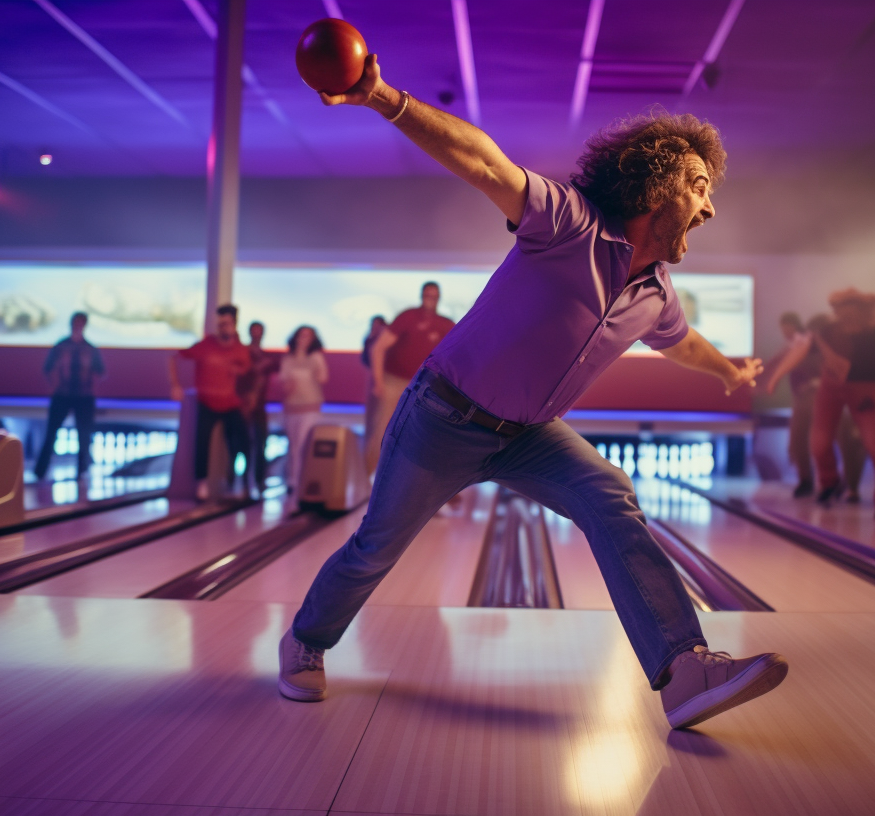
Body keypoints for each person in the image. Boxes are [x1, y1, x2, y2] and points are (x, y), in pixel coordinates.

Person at [279, 54, 784, 733]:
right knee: (376, 546)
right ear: (660, 187)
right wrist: (382, 96)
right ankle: (306, 639)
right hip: (443, 415)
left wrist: (727, 372)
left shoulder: (656, 295)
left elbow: (681, 343)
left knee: (609, 492)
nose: (710, 203)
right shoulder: (569, 224)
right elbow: (486, 165)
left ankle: (684, 669)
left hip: (528, 435)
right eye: (698, 185)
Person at [806, 289, 875, 518]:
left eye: (847, 307)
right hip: (832, 386)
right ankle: (829, 482)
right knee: (818, 442)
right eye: (837, 308)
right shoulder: (830, 331)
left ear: (859, 309)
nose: (841, 313)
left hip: (867, 388)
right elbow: (808, 351)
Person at [365, 282, 455, 473]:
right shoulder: (408, 316)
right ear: (421, 296)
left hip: (425, 385)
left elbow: (456, 355)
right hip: (394, 381)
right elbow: (378, 348)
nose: (430, 299)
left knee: (425, 431)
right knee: (384, 428)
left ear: (438, 298)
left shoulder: (445, 324)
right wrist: (379, 382)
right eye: (427, 295)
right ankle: (372, 475)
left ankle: (413, 478)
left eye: (434, 296)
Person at [169, 305, 253, 500]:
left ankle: (242, 481)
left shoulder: (240, 349)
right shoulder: (205, 346)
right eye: (220, 324)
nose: (223, 328)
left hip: (231, 403)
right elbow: (174, 358)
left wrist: (239, 374)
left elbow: (246, 372)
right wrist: (175, 385)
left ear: (234, 324)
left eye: (227, 324)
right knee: (202, 443)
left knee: (241, 442)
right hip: (206, 403)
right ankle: (202, 484)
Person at [33, 312, 105, 481]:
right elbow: (48, 368)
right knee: (51, 434)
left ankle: (82, 472)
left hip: (84, 397)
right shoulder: (60, 346)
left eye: (81, 323)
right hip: (61, 395)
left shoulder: (90, 348)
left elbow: (100, 372)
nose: (78, 326)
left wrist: (92, 389)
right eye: (76, 323)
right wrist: (55, 387)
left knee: (84, 436)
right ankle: (40, 471)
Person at [763, 312, 822, 497]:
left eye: (787, 329)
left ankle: (829, 481)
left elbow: (823, 370)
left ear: (795, 326)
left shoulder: (806, 343)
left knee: (817, 442)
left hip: (815, 398)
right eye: (783, 330)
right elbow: (776, 361)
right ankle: (806, 480)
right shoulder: (793, 344)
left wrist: (813, 384)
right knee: (797, 442)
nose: (785, 333)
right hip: (801, 400)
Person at [279, 325, 329, 503]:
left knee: (303, 444)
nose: (304, 339)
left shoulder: (316, 357)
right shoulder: (288, 358)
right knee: (293, 445)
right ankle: (292, 480)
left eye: (308, 336)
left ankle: (301, 481)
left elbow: (323, 378)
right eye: (301, 335)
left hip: (310, 407)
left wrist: (312, 365)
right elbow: (284, 382)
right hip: (292, 407)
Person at [240, 321, 277, 494]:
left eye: (259, 332)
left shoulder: (266, 357)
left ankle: (259, 479)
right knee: (243, 444)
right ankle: (243, 481)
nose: (256, 334)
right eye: (254, 331)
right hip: (243, 405)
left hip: (260, 406)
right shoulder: (242, 354)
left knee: (261, 443)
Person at [360, 315, 387, 459]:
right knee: (371, 416)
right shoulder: (369, 339)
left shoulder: (387, 341)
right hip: (373, 379)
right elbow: (365, 359)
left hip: (386, 379)